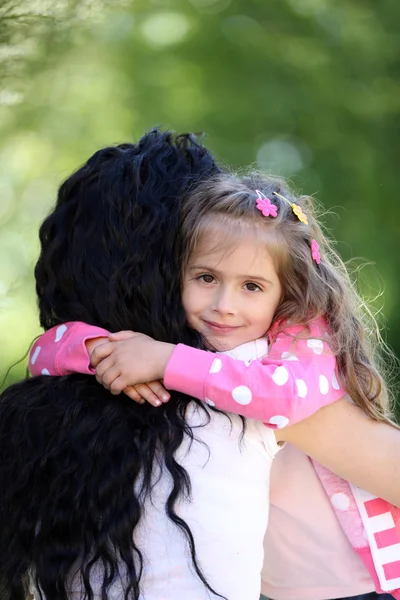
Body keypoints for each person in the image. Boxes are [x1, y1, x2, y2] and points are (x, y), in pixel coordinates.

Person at [30, 169, 400, 600]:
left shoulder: (299, 341)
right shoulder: (194, 344)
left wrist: (167, 360)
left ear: (286, 291)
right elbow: (44, 353)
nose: (224, 306)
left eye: (251, 286)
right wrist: (106, 351)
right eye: (206, 278)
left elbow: (274, 396)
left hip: (364, 586)